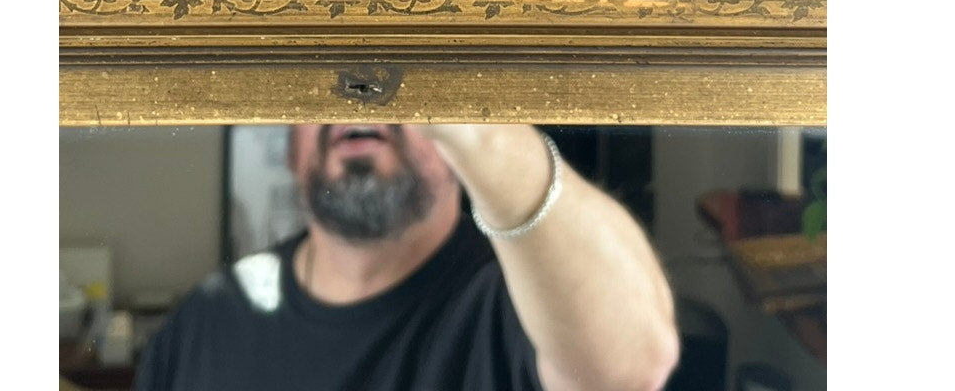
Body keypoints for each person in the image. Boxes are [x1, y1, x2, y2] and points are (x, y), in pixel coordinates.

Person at [134, 123, 679, 391]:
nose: (358, 98)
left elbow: (632, 365)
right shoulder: (206, 320)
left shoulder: (518, 302)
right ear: (292, 150)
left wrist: (479, 127)